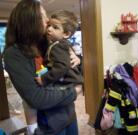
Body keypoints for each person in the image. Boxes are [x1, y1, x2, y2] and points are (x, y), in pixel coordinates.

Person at [3, 0, 81, 135]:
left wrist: (77, 59)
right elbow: (37, 97)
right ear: (29, 21)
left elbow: (64, 67)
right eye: (42, 16)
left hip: (68, 115)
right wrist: (74, 92)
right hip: (48, 124)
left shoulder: (47, 42)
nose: (47, 20)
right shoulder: (14, 54)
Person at [35, 10, 83, 89]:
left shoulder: (58, 46)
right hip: (67, 82)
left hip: (66, 83)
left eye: (55, 27)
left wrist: (44, 79)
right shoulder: (60, 44)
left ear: (66, 34)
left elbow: (62, 66)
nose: (49, 29)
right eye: (49, 25)